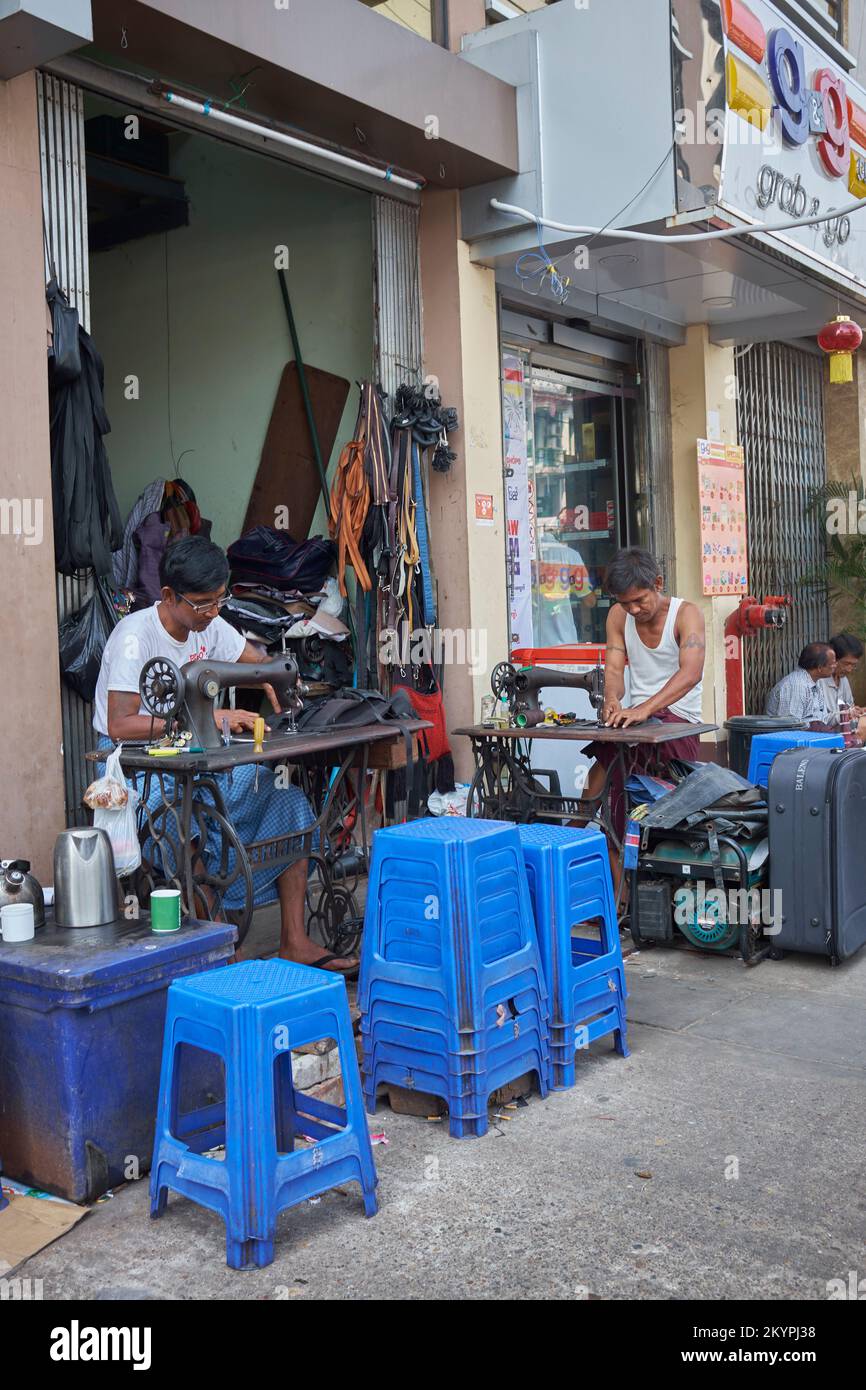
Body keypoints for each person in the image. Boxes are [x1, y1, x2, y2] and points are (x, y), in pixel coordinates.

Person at [93, 536, 358, 974]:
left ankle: (295, 940)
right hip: (140, 767)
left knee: (286, 798)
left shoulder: (210, 624)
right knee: (182, 817)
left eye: (220, 599)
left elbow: (254, 660)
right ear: (168, 597)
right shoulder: (133, 638)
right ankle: (220, 948)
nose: (214, 611)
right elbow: (120, 724)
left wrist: (275, 680)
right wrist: (214, 718)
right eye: (203, 603)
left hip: (197, 756)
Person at [583, 546, 706, 853]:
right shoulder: (617, 616)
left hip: (678, 722)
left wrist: (644, 709)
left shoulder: (686, 614)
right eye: (626, 603)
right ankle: (574, 833)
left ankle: (588, 832)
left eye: (639, 600)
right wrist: (612, 698)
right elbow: (613, 668)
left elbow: (691, 673)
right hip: (638, 723)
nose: (634, 610)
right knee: (605, 763)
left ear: (659, 583)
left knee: (619, 766)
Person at [764, 643, 837, 729]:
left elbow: (822, 718)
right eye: (833, 663)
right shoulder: (796, 686)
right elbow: (791, 726)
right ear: (820, 668)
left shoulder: (814, 682)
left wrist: (845, 714)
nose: (835, 666)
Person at [819, 633, 866, 739]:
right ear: (832, 659)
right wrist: (847, 713)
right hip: (825, 734)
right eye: (846, 663)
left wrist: (857, 711)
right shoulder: (819, 680)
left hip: (844, 729)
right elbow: (818, 721)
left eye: (853, 665)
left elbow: (849, 706)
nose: (849, 669)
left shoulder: (843, 679)